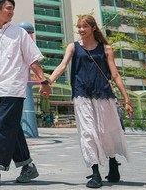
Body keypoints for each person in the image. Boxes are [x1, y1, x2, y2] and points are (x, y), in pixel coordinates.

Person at [0, 0, 51, 187]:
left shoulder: (20, 33)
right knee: (11, 128)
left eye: (13, 8)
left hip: (14, 87)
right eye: (8, 8)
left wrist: (43, 80)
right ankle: (27, 166)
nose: (11, 12)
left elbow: (32, 59)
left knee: (5, 127)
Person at [48, 14, 133, 188]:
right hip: (81, 93)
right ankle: (95, 174)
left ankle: (112, 163)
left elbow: (115, 74)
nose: (81, 30)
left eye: (84, 26)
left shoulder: (106, 49)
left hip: (103, 93)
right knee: (87, 132)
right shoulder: (73, 47)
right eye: (79, 27)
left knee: (105, 131)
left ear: (93, 28)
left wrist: (127, 99)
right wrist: (48, 81)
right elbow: (63, 65)